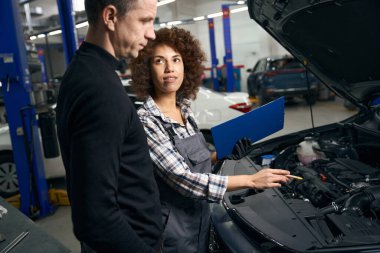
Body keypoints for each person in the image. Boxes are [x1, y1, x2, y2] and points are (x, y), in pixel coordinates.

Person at [129, 27, 291, 253]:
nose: (170, 68)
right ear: (147, 69)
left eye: (176, 59)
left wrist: (221, 154)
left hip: (202, 218)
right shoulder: (147, 122)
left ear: (186, 65)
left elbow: (197, 162)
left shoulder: (184, 110)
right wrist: (251, 180)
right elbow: (184, 180)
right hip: (171, 230)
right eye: (159, 61)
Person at [56, 0, 163, 252]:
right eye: (144, 20)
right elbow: (95, 220)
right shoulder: (100, 91)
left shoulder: (86, 71)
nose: (152, 33)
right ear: (111, 17)